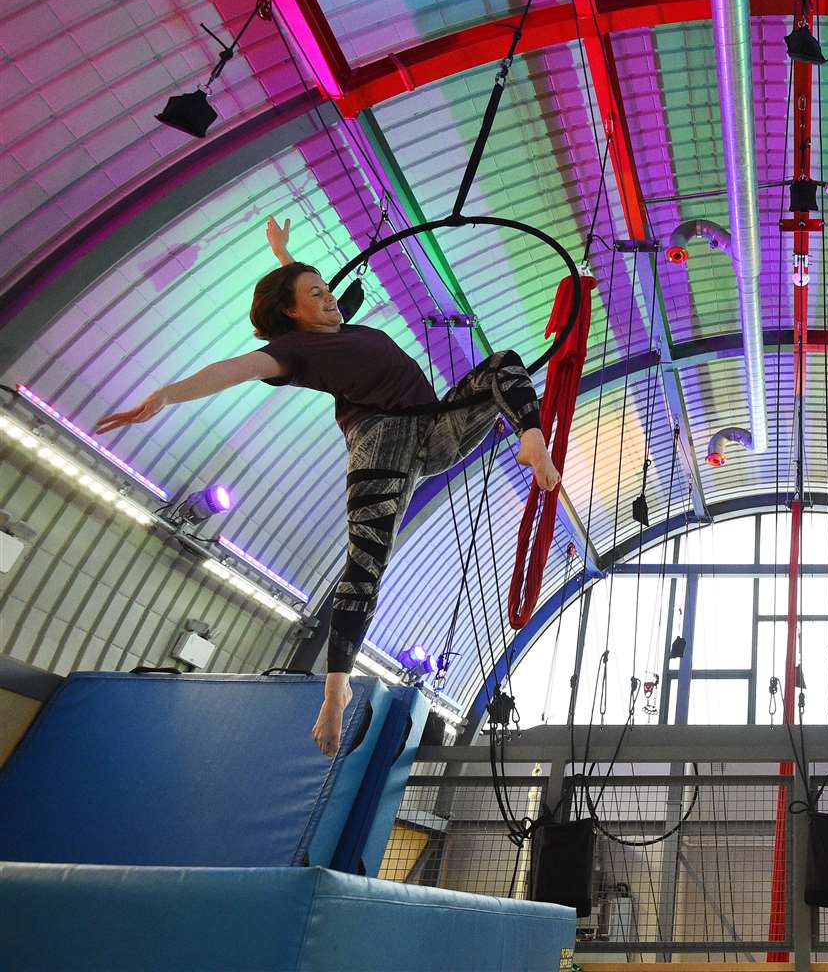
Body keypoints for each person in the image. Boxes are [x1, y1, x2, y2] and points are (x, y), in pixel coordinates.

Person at [96, 218, 560, 755]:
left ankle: (530, 435)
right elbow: (233, 369)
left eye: (327, 290)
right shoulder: (294, 353)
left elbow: (298, 285)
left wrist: (281, 251)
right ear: (293, 313)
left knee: (502, 364)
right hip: (380, 443)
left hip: (432, 427)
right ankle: (334, 690)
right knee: (365, 567)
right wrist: (167, 395)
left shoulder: (340, 329)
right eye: (316, 295)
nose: (330, 298)